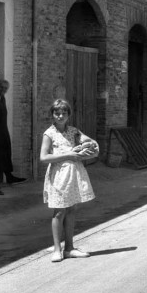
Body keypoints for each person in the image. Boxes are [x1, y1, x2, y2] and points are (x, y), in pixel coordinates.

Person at [39, 98, 97, 263]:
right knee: (59, 211)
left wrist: (88, 146)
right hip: (59, 176)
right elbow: (44, 157)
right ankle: (57, 249)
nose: (60, 116)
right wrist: (69, 155)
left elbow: (91, 143)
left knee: (71, 209)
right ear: (52, 115)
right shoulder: (49, 134)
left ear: (68, 115)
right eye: (57, 113)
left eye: (64, 113)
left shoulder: (74, 131)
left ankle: (70, 248)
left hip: (74, 174)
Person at [0, 79, 26, 184]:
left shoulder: (2, 98)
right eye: (1, 87)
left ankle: (9, 175)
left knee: (6, 152)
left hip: (3, 129)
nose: (3, 90)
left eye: (5, 88)